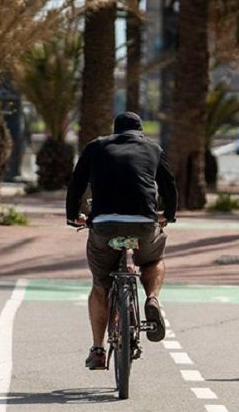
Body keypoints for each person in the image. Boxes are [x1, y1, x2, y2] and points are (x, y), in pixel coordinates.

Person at [66, 112, 178, 370]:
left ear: (115, 132)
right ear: (140, 132)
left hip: (103, 225)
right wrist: (168, 215)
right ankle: (152, 299)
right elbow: (169, 185)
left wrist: (74, 216)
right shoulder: (153, 148)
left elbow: (76, 183)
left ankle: (97, 350)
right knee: (153, 259)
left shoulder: (95, 147)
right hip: (143, 223)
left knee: (100, 284)